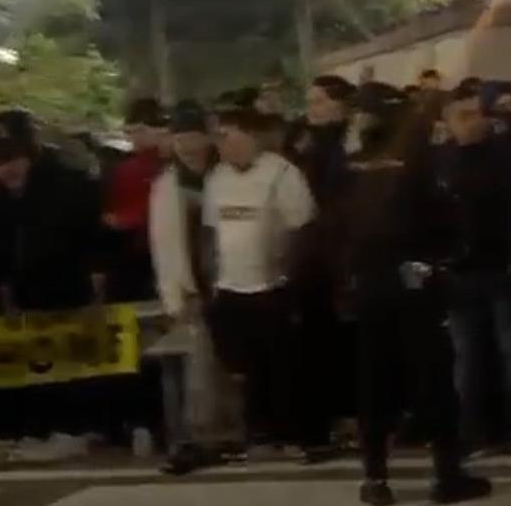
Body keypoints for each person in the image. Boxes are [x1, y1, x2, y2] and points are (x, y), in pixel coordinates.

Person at [347, 83, 491, 505]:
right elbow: (448, 219)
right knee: (434, 380)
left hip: (368, 288)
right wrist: (444, 260)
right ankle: (446, 475)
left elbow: (335, 227)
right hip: (415, 283)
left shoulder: (353, 165)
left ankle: (375, 478)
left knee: (373, 383)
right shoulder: (422, 161)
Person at [427, 85, 511, 455]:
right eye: (465, 116)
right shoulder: (440, 162)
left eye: (478, 113)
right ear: (447, 122)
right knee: (468, 356)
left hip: (502, 267)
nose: (475, 123)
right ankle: (473, 431)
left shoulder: (507, 157)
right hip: (460, 273)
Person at [205, 108, 316, 455]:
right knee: (245, 366)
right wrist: (210, 275)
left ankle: (295, 431)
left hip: (271, 285)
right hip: (230, 285)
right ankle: (259, 432)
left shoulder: (281, 173)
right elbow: (210, 231)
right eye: (219, 138)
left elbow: (303, 228)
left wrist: (289, 276)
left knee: (282, 363)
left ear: (251, 137)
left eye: (230, 136)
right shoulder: (217, 178)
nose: (223, 145)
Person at [0, 131, 107, 441]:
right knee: (31, 363)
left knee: (67, 360)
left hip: (63, 285)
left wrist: (94, 279)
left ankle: (74, 427)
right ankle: (34, 428)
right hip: (20, 292)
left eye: (13, 161)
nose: (8, 169)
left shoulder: (62, 190)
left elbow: (87, 237)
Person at [150, 103, 241, 474]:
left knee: (236, 361)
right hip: (194, 286)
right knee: (202, 364)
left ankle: (235, 432)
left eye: (192, 137)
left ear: (208, 137)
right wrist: (173, 291)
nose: (186, 146)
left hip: (238, 278)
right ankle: (203, 438)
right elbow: (163, 242)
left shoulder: (230, 174)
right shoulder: (166, 185)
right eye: (179, 139)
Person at [289, 75, 359, 461]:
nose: (311, 109)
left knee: (344, 342)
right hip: (314, 260)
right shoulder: (310, 144)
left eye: (318, 101)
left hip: (340, 258)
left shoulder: (346, 145)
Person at [103, 99, 171, 303]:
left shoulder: (171, 167)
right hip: (131, 250)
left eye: (140, 130)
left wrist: (127, 218)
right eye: (130, 131)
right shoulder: (122, 167)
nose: (134, 137)